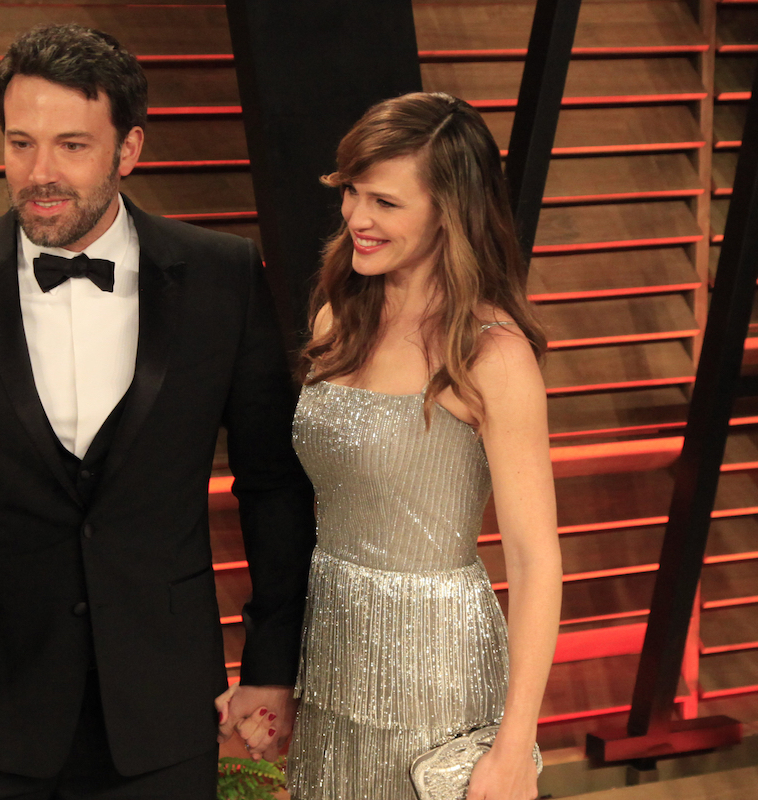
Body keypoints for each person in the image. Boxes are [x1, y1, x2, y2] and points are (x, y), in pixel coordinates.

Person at [0, 23, 317, 800]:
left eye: (72, 146)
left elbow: (272, 485)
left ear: (128, 149)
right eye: (20, 143)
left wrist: (271, 663)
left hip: (165, 706)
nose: (40, 173)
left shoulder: (222, 276)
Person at [224, 93, 562, 800]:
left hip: (437, 680)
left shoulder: (492, 355)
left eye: (385, 201)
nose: (356, 217)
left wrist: (513, 746)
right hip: (333, 660)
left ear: (450, 213)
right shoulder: (338, 317)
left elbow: (535, 560)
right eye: (352, 191)